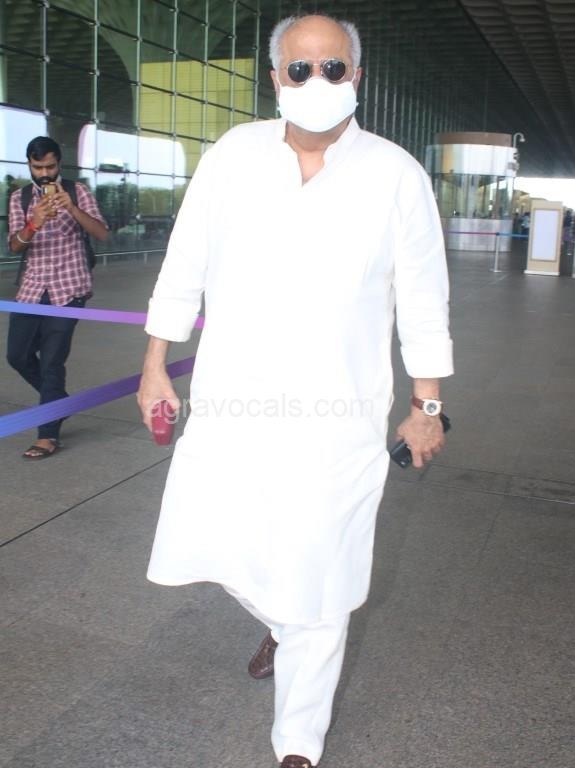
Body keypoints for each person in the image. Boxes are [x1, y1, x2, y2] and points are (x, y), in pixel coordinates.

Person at [137, 14, 453, 768]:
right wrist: (155, 365)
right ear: (276, 77)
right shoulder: (232, 156)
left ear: (357, 78)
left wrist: (427, 406)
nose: (317, 81)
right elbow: (183, 266)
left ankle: (298, 741)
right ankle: (279, 621)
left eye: (333, 68)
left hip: (337, 419)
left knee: (322, 570)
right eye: (300, 69)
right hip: (233, 406)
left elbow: (423, 301)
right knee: (215, 541)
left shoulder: (395, 175)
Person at [6, 136, 108, 459]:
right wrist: (34, 222)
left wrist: (72, 209)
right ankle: (59, 402)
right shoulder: (20, 197)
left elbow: (102, 233)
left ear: (59, 164)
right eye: (38, 168)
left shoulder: (78, 192)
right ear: (29, 165)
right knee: (17, 355)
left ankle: (47, 434)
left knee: (52, 361)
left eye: (50, 167)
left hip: (69, 288)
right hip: (32, 288)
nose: (45, 174)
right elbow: (14, 246)